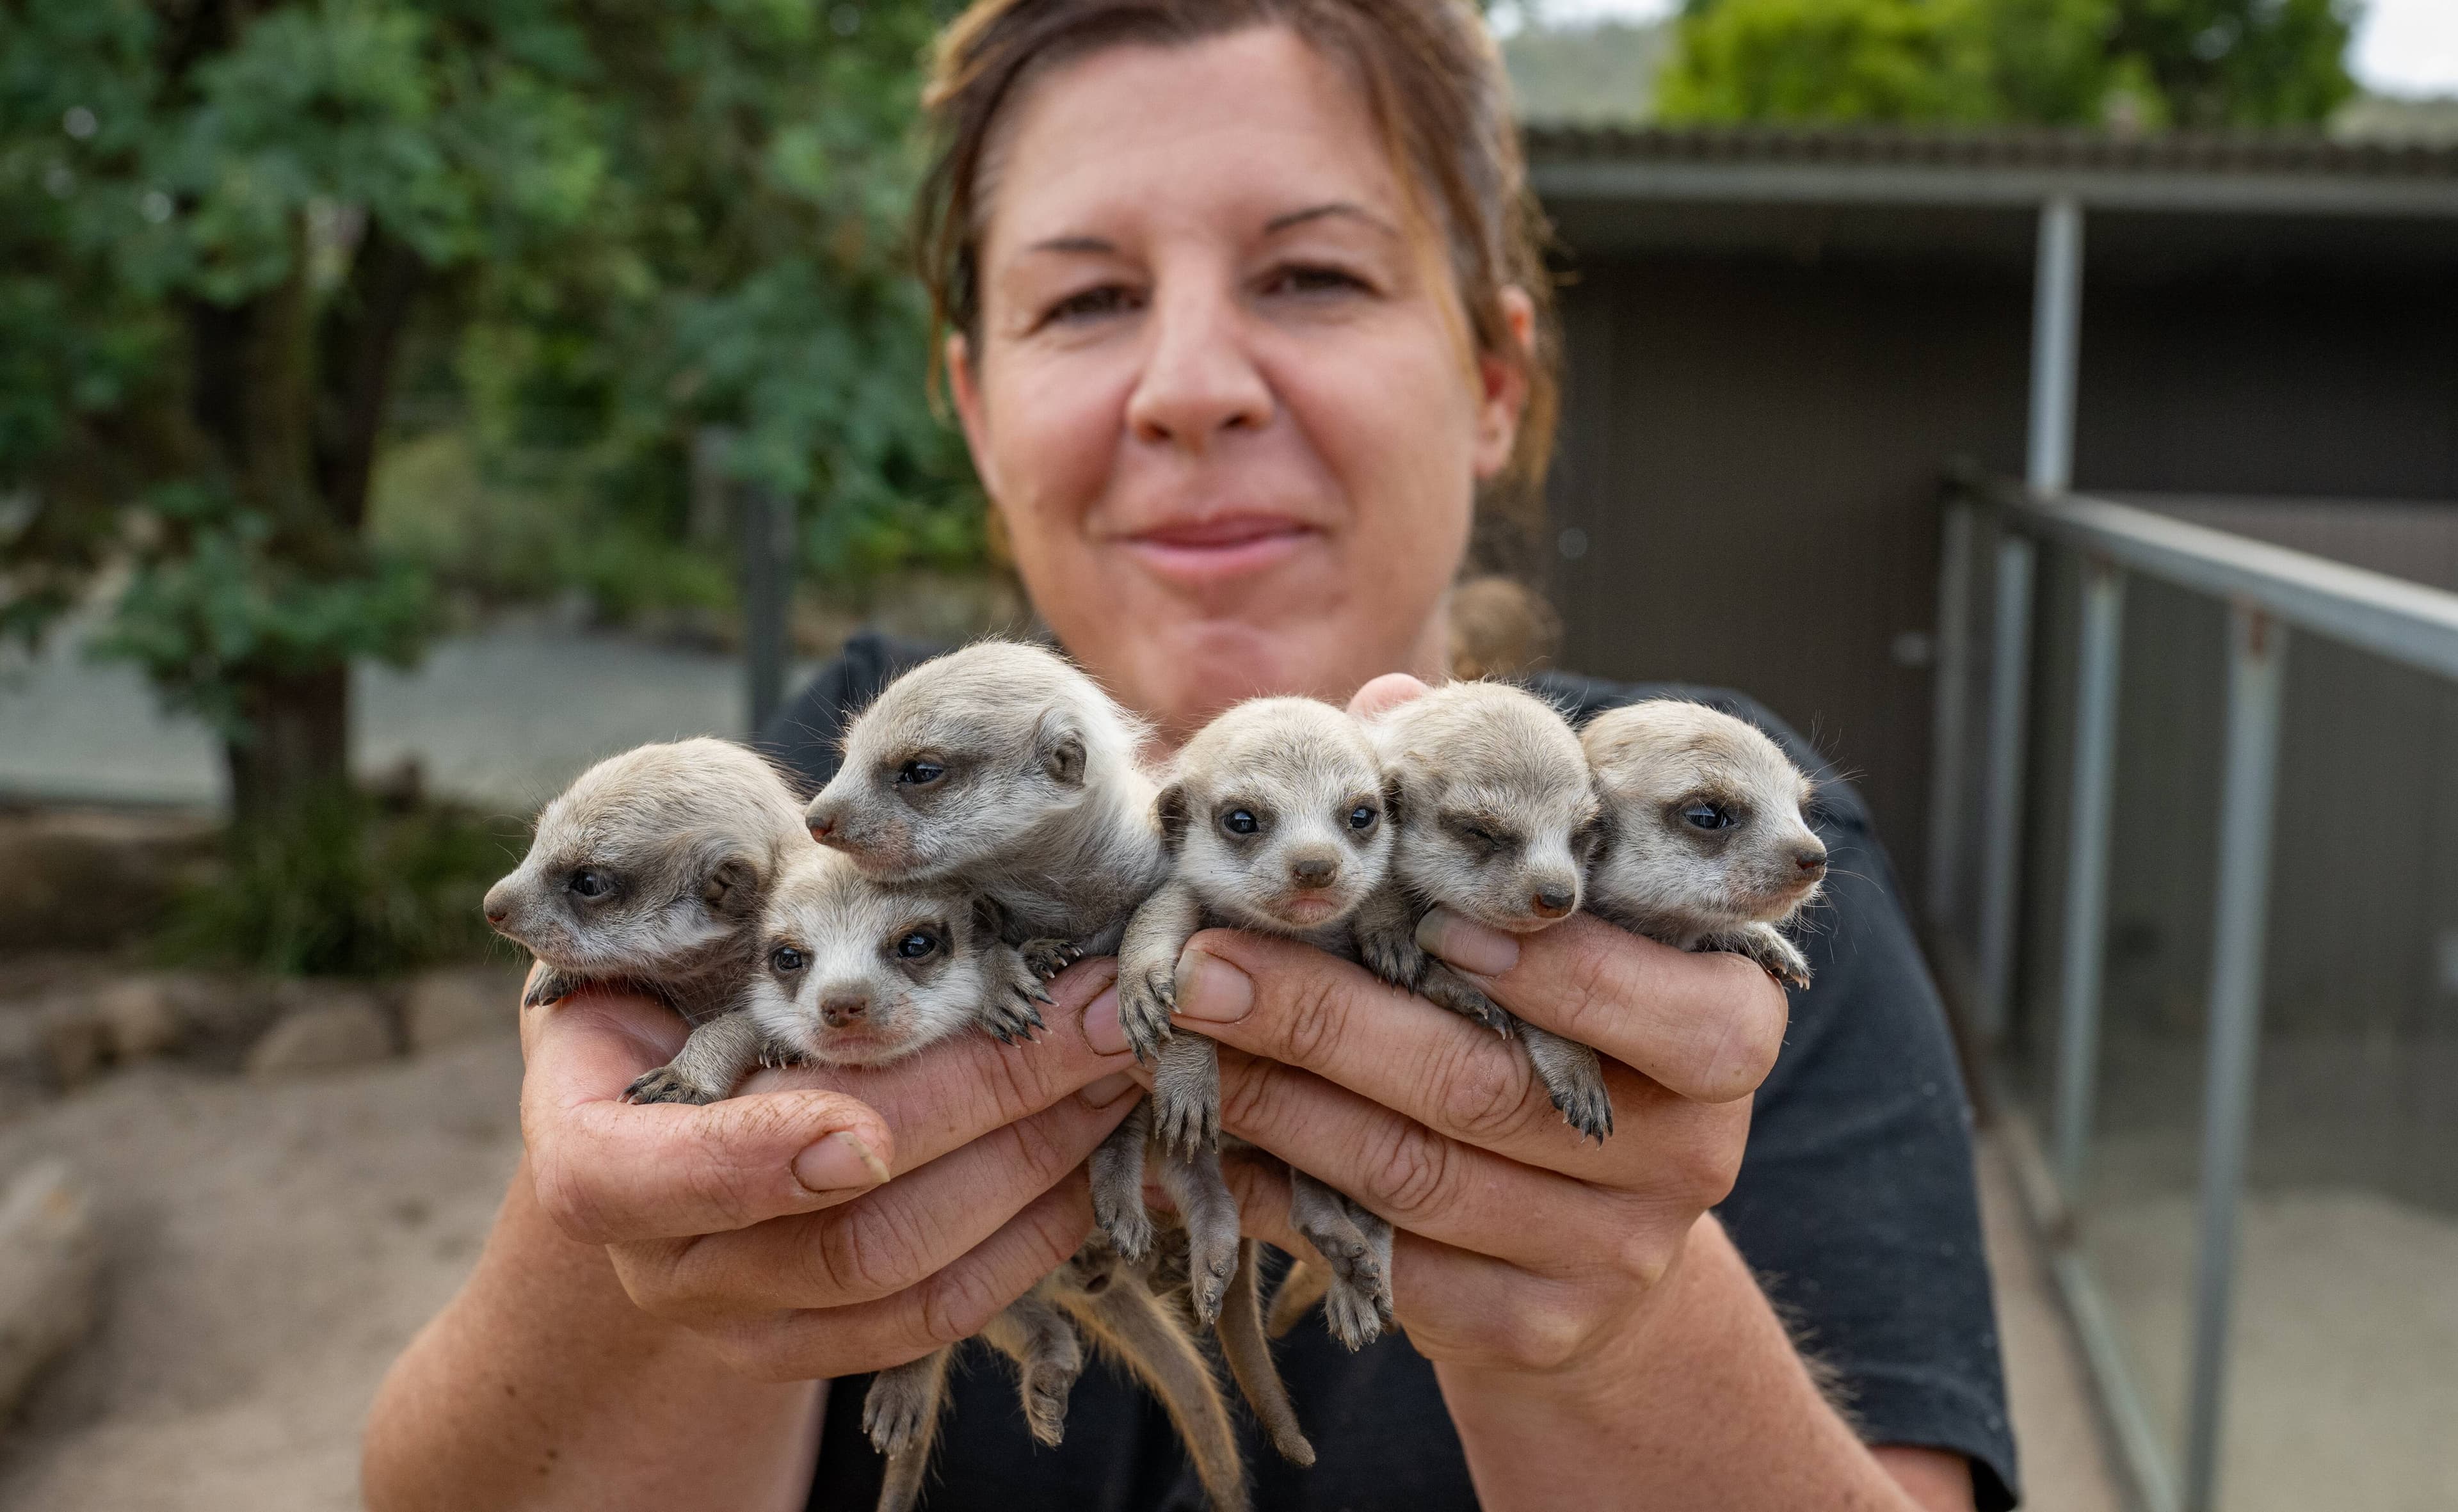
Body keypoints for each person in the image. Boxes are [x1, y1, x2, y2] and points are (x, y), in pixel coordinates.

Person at [362, 3, 2018, 1508]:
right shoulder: (831, 808)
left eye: (1313, 274)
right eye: (1086, 299)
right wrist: (635, 1238)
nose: (1193, 388)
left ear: (1495, 375)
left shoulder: (1714, 861)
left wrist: (1609, 1328)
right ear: (976, 407)